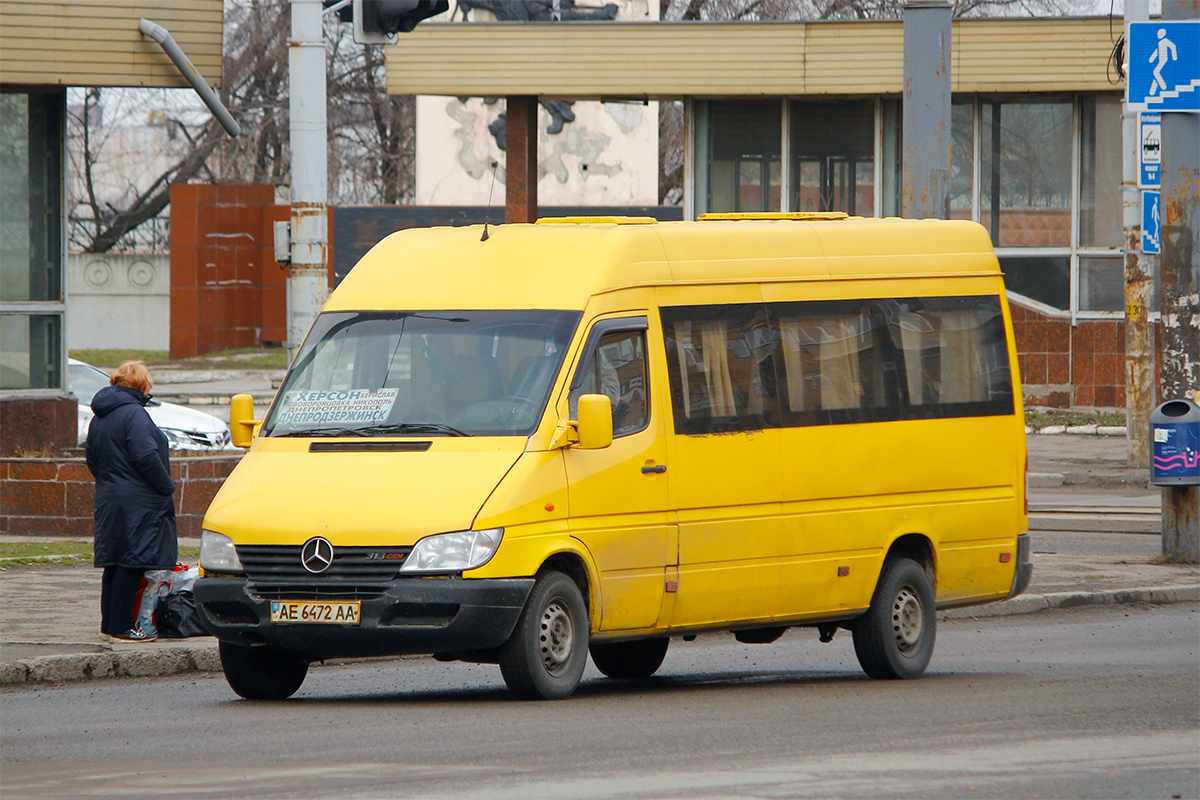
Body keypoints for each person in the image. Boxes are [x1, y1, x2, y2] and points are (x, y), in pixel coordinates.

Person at [86, 360, 178, 642]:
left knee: (114, 562)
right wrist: (167, 486)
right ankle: (123, 626)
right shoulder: (134, 414)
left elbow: (92, 458)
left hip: (110, 495)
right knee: (132, 561)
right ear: (141, 386)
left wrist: (112, 481)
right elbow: (145, 456)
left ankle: (110, 625)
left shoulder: (100, 415)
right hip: (138, 500)